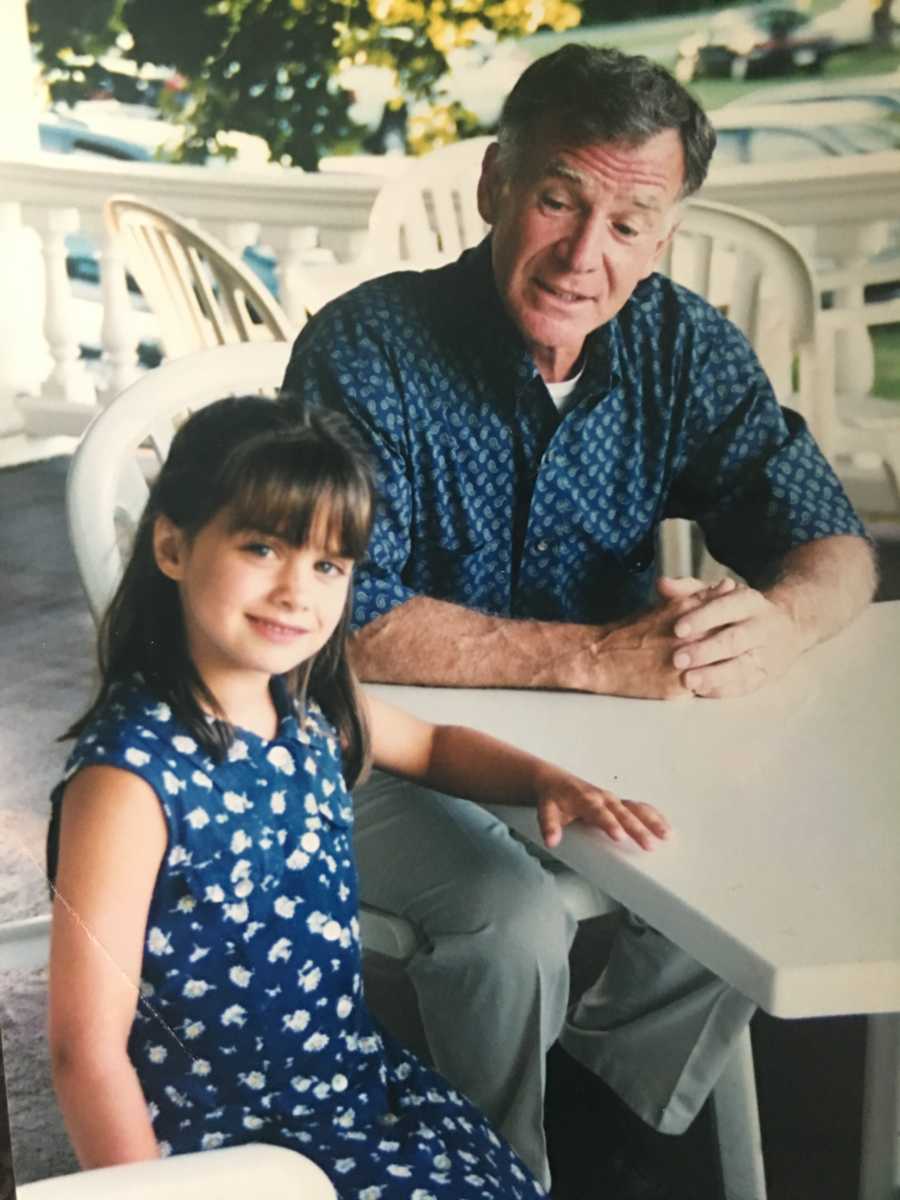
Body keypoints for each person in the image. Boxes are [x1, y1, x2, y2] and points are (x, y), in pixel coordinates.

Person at [281, 42, 878, 1191]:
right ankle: (492, 1167)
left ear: (668, 235)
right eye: (559, 200)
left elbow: (831, 542)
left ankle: (608, 1093)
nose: (583, 256)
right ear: (496, 185)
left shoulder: (682, 345)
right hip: (365, 736)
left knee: (764, 845)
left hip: (595, 738)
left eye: (630, 222)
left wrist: (784, 623)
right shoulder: (365, 348)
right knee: (512, 924)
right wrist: (603, 660)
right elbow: (342, 619)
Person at [46, 395, 670, 1196]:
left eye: (328, 565)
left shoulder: (305, 712)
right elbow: (83, 1053)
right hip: (221, 1145)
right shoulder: (128, 782)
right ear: (172, 545)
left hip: (346, 1091)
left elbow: (436, 745)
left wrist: (545, 780)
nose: (296, 591)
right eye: (262, 547)